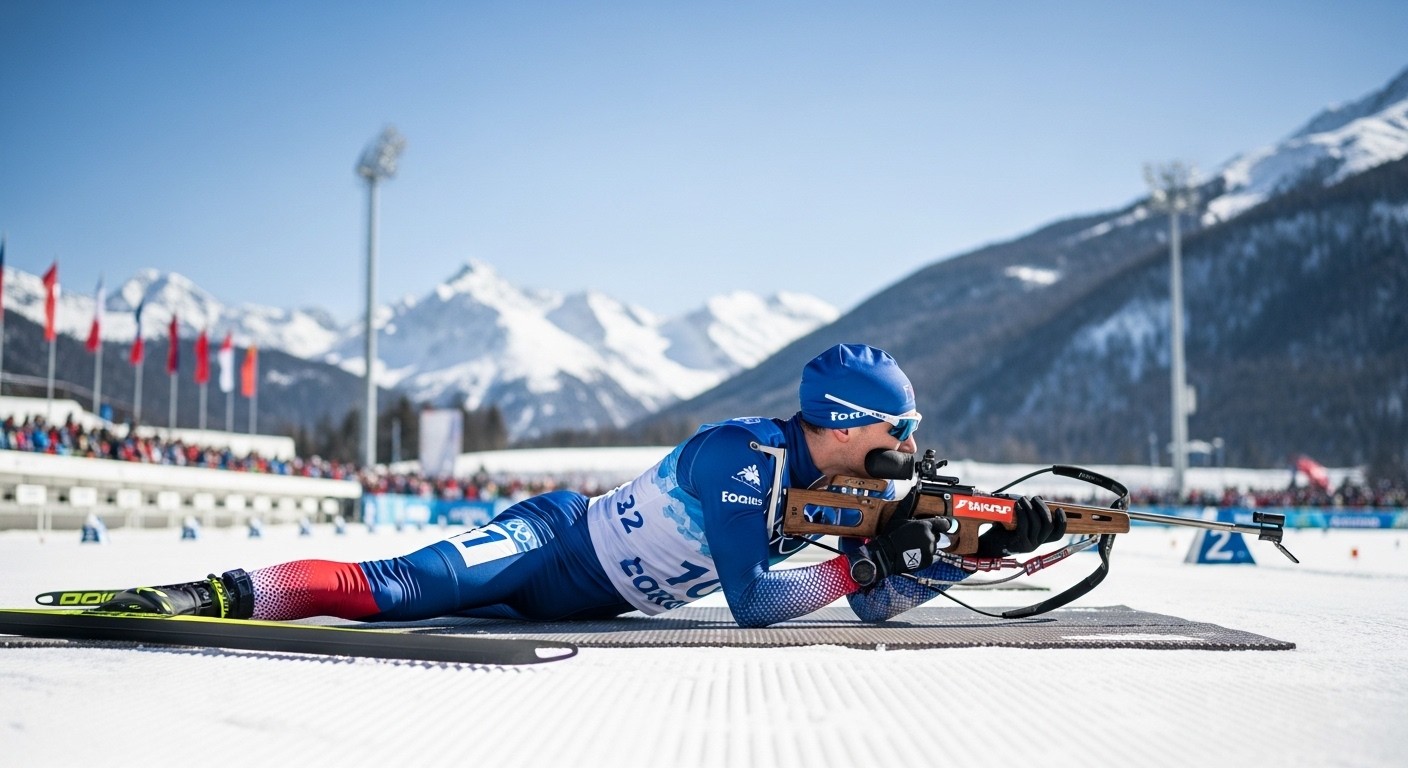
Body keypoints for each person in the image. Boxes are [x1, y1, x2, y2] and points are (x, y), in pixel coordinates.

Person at [101, 343, 1065, 627]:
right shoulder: (745, 458)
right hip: (554, 545)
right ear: (848, 425)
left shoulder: (850, 485)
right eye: (900, 428)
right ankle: (205, 594)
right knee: (395, 590)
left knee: (424, 601)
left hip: (596, 604)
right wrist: (868, 567)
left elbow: (874, 608)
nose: (910, 444)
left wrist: (970, 553)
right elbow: (755, 605)